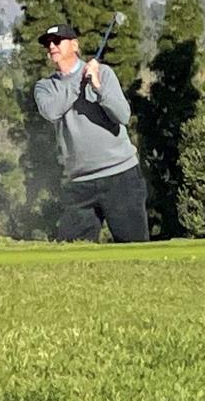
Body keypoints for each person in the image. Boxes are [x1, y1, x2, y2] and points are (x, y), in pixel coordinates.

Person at [33, 24, 148, 242]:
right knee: (74, 253)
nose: (51, 46)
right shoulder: (45, 87)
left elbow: (123, 115)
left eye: (57, 41)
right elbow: (51, 111)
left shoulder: (103, 73)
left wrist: (97, 86)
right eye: (48, 43)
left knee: (134, 247)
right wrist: (80, 80)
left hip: (120, 176)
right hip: (79, 182)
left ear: (74, 45)